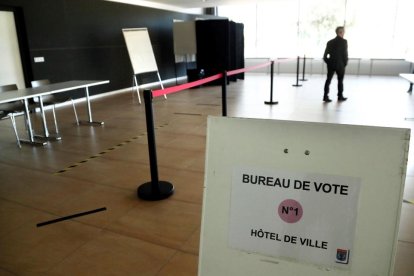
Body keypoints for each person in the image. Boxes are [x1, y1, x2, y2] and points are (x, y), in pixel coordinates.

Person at [323, 26, 348, 102]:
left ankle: (325, 96)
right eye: (343, 32)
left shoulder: (330, 42)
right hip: (340, 65)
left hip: (331, 64)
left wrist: (329, 62)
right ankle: (340, 96)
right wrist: (344, 64)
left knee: (328, 80)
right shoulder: (344, 42)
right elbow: (345, 54)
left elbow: (325, 56)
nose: (344, 33)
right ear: (340, 32)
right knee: (340, 81)